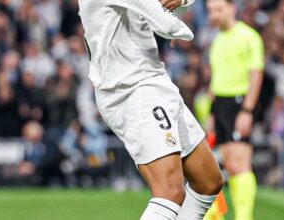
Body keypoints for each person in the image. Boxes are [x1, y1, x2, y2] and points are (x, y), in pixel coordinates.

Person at [77, 0, 224, 219]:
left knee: (209, 182)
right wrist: (182, 26)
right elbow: (168, 26)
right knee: (169, 193)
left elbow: (174, 5)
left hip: (154, 79)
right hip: (131, 89)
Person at [206, 0, 264, 219]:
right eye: (211, 11)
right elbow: (215, 78)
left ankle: (244, 216)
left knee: (240, 164)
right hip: (220, 104)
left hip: (239, 103)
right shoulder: (217, 40)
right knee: (229, 164)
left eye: (218, 10)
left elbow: (256, 74)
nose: (214, 15)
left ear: (232, 8)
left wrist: (247, 110)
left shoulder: (248, 37)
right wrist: (212, 112)